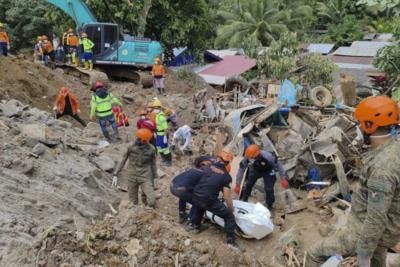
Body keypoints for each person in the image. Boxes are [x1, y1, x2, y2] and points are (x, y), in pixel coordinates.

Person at [307, 96, 400, 267]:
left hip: (365, 231)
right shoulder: (393, 148)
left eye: (359, 124)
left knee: (313, 254)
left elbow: (376, 217)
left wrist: (363, 254)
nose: (357, 129)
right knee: (377, 261)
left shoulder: (382, 169)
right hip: (384, 233)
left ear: (369, 125)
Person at [190, 150, 239, 248]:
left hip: (195, 195)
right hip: (209, 199)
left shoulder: (206, 167)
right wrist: (231, 208)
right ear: (228, 163)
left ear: (218, 158)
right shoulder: (226, 176)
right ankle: (230, 242)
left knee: (200, 205)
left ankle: (195, 226)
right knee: (229, 217)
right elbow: (226, 196)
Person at [113, 128, 158, 208]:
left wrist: (155, 178)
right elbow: (123, 160)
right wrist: (115, 173)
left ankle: (145, 204)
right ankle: (136, 214)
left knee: (151, 201)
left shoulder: (151, 149)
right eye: (140, 139)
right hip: (132, 175)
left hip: (145, 175)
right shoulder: (131, 147)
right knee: (133, 202)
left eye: (145, 140)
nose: (143, 142)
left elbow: (153, 164)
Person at [235, 144, 288, 210]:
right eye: (250, 158)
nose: (251, 159)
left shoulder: (268, 156)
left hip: (268, 170)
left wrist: (283, 178)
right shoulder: (248, 156)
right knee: (248, 184)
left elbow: (279, 165)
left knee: (269, 189)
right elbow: (241, 169)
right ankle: (244, 200)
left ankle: (269, 205)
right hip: (255, 170)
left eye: (253, 157)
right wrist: (238, 184)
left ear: (257, 154)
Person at [170, 156, 213, 223]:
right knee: (198, 202)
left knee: (183, 196)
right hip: (181, 189)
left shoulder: (192, 170)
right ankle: (192, 221)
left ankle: (182, 214)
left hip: (173, 185)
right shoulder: (203, 174)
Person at [148, 99, 172, 165]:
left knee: (165, 148)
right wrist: (155, 133)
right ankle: (163, 159)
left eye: (155, 108)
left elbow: (166, 128)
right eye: (154, 108)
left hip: (162, 134)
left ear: (159, 108)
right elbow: (156, 125)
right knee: (159, 147)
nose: (154, 110)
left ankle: (168, 161)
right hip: (158, 133)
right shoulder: (157, 115)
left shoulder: (161, 117)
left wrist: (164, 136)